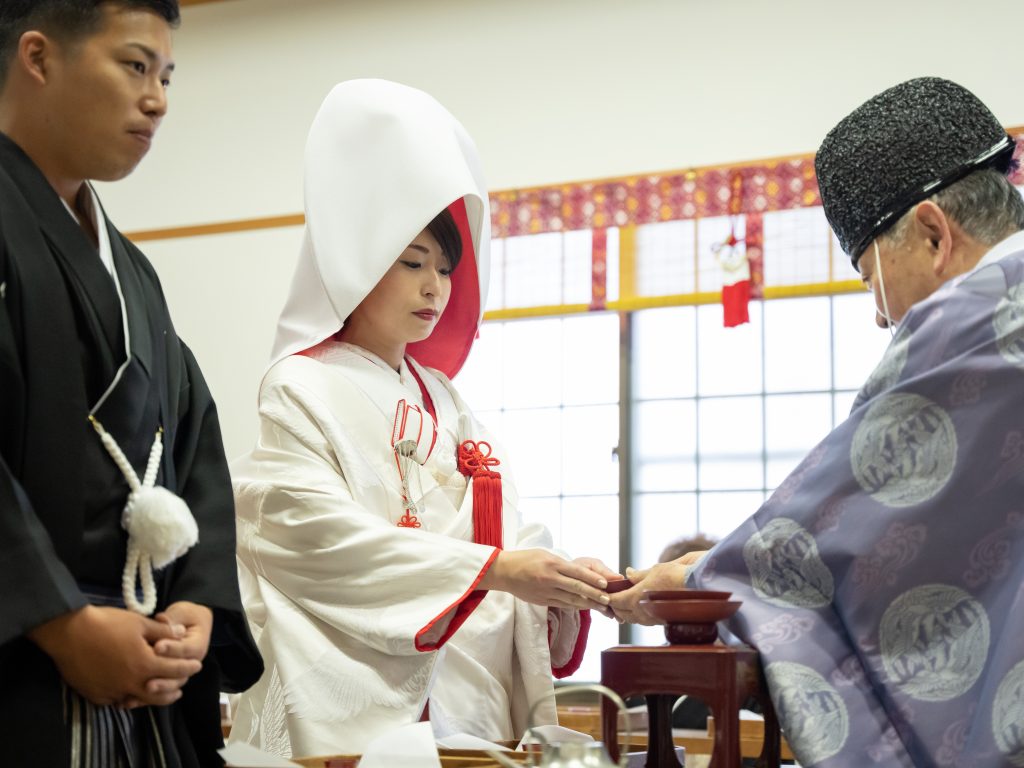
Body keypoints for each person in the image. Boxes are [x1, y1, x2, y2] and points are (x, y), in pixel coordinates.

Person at [610, 77, 1024, 767]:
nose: (880, 314)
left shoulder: (974, 315)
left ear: (931, 234)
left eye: (869, 276)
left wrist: (701, 579)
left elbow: (830, 539)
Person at [229, 79, 618, 758]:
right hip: (357, 697)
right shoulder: (300, 384)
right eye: (411, 264)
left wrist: (558, 583)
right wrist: (492, 571)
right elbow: (307, 535)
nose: (434, 286)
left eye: (443, 267)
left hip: (470, 695)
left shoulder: (446, 398)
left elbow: (504, 529)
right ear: (357, 263)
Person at [0, 1, 263, 765]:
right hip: (26, 659)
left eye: (168, 76)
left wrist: (197, 602)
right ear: (40, 58)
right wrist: (60, 623)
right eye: (136, 66)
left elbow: (193, 443)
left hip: (145, 664)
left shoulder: (134, 272)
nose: (158, 100)